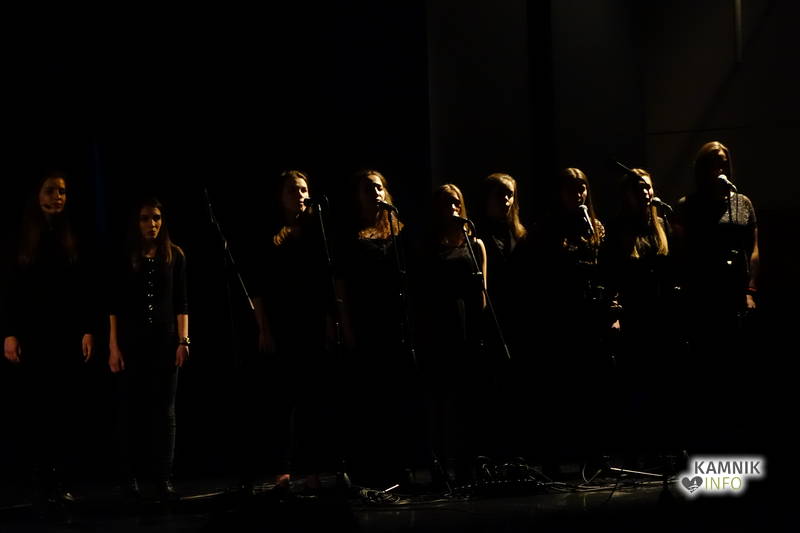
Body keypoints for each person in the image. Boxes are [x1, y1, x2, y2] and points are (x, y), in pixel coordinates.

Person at [1, 171, 96, 507]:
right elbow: (10, 287)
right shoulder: (21, 235)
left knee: (62, 408)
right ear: (37, 195)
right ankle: (39, 480)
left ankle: (58, 480)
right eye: (51, 191)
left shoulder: (70, 234)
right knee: (35, 408)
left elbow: (82, 286)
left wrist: (87, 328)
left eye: (62, 191)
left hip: (63, 333)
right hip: (33, 333)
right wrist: (9, 332)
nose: (58, 197)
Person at [246, 170, 338, 494]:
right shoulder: (270, 234)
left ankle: (312, 470)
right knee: (283, 402)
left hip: (311, 322)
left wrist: (329, 322)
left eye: (303, 189)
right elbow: (258, 286)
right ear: (280, 196)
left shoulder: (317, 230)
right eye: (292, 190)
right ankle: (282, 471)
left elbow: (326, 281)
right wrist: (264, 328)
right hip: (281, 323)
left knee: (313, 401)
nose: (300, 195)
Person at [335, 169, 420, 491]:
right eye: (368, 188)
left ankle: (402, 466)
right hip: (366, 321)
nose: (375, 193)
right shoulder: (352, 234)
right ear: (359, 196)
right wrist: (346, 324)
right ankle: (371, 469)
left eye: (379, 187)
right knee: (370, 397)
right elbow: (341, 284)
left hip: (396, 323)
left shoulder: (399, 231)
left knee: (399, 396)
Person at [672, 141, 760, 451]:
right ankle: (703, 440)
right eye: (713, 162)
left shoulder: (741, 203)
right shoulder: (688, 205)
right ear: (702, 168)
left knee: (734, 369)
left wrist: (750, 290)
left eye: (723, 162)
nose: (719, 168)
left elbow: (753, 250)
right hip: (702, 298)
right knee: (704, 370)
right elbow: (680, 251)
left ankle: (735, 436)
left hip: (733, 297)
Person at [108, 197, 189, 502]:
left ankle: (163, 479)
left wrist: (183, 340)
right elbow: (114, 306)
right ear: (136, 222)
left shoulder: (174, 255)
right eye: (145, 218)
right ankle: (129, 479)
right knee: (130, 412)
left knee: (165, 412)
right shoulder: (126, 255)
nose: (151, 224)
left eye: (156, 218)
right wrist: (113, 346)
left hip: (165, 343)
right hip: (132, 343)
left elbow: (182, 302)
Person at [536, 167, 611, 466]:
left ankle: (594, 453)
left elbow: (604, 267)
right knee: (564, 387)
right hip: (562, 316)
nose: (578, 194)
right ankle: (558, 455)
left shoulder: (595, 226)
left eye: (581, 187)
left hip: (590, 314)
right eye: (571, 188)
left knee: (593, 386)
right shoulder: (549, 227)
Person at [602, 168, 679, 457]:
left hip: (661, 313)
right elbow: (611, 274)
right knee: (635, 382)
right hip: (634, 314)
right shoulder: (618, 228)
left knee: (663, 381)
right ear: (627, 194)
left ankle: (661, 447)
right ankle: (636, 449)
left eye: (648, 187)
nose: (645, 193)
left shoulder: (663, 224)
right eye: (638, 188)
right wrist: (614, 314)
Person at [418, 183, 487, 487]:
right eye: (446, 202)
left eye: (456, 201)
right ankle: (441, 466)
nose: (452, 207)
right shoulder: (429, 245)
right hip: (438, 326)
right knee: (441, 400)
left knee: (467, 400)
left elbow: (482, 292)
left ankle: (466, 467)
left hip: (467, 326)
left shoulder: (474, 243)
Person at [474, 173, 535, 461]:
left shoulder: (520, 235)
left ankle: (517, 453)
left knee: (517, 388)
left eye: (510, 194)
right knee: (493, 387)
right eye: (500, 194)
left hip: (518, 321)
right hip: (491, 319)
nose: (506, 200)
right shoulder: (477, 234)